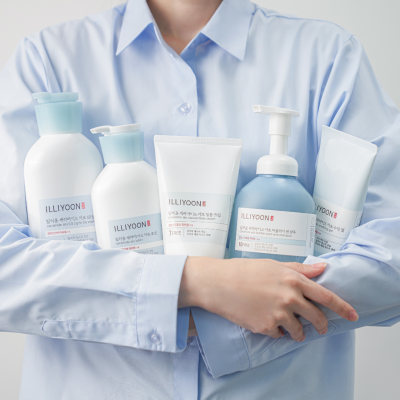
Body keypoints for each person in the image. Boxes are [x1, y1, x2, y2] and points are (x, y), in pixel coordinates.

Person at [0, 0, 399, 398]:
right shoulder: (47, 61)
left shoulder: (326, 57)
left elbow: (390, 254)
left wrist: (174, 308)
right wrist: (196, 283)